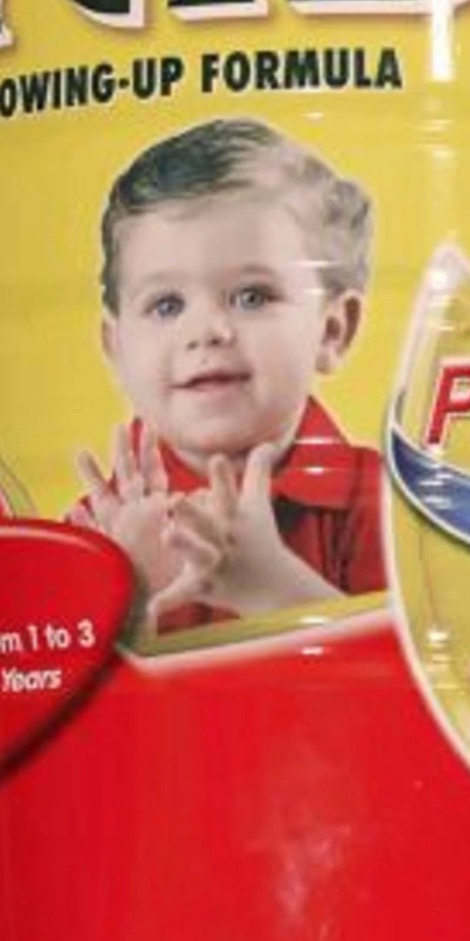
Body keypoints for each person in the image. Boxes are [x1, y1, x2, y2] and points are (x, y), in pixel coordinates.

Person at [70, 118, 385, 634]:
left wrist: (272, 585)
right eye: (167, 304)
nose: (207, 331)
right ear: (117, 346)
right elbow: (59, 679)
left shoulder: (378, 504)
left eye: (252, 296)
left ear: (332, 330)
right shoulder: (102, 526)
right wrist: (129, 597)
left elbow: (417, 674)